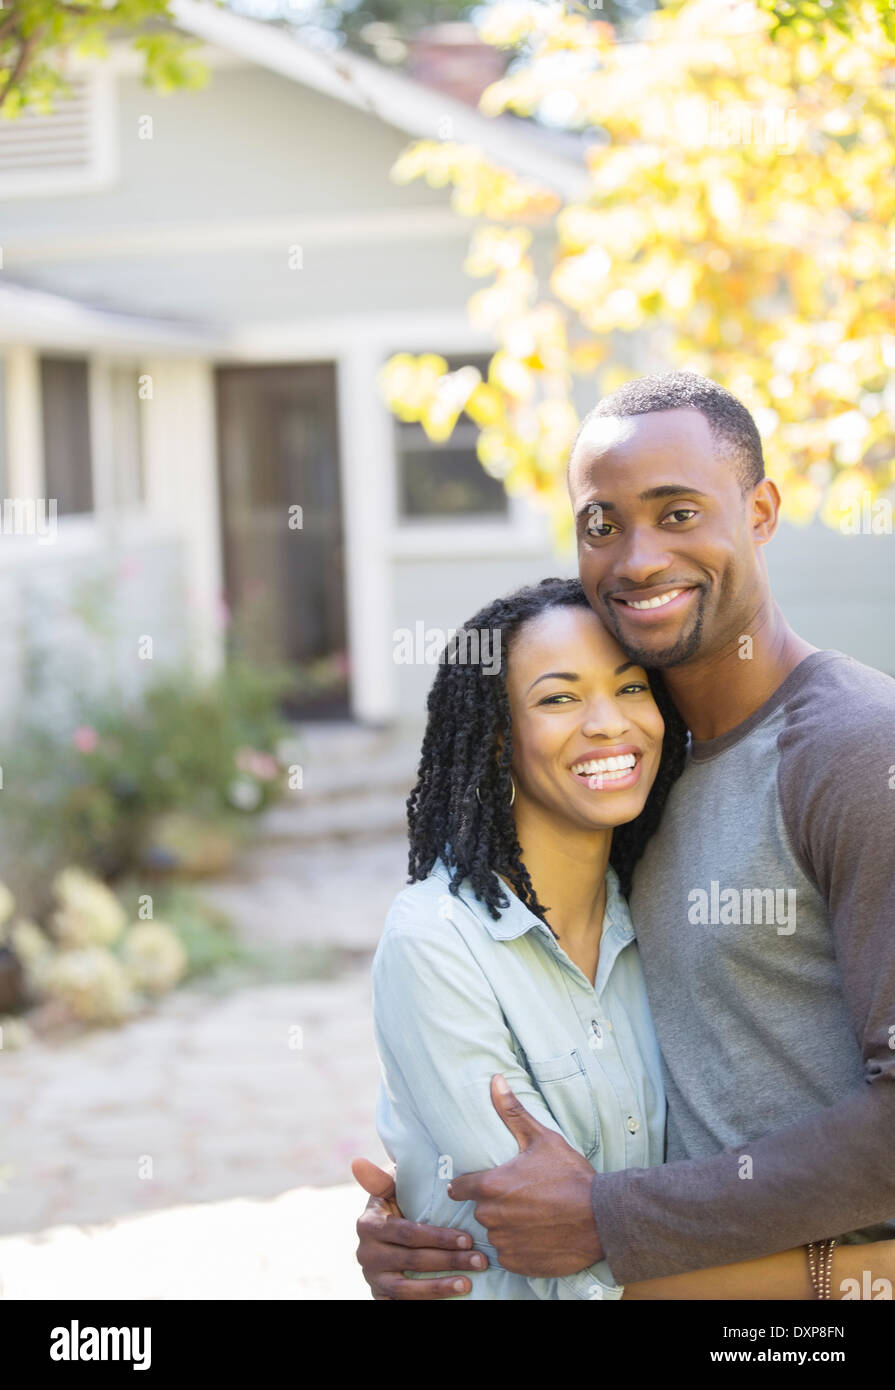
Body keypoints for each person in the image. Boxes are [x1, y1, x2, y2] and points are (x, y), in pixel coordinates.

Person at [354, 371, 895, 1299]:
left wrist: (610, 1220)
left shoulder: (852, 749)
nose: (637, 558)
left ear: (760, 511)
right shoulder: (647, 776)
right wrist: (440, 1228)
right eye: (600, 524)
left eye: (678, 512)